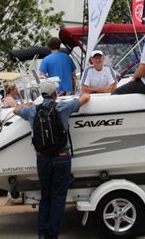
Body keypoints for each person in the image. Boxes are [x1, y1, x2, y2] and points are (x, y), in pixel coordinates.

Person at [14, 80, 90, 239]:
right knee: (58, 198)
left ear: (41, 95)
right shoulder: (63, 107)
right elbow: (86, 98)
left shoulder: (32, 111)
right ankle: (52, 234)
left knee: (45, 196)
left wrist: (25, 105)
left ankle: (42, 233)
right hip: (61, 157)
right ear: (55, 94)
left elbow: (15, 110)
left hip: (42, 159)